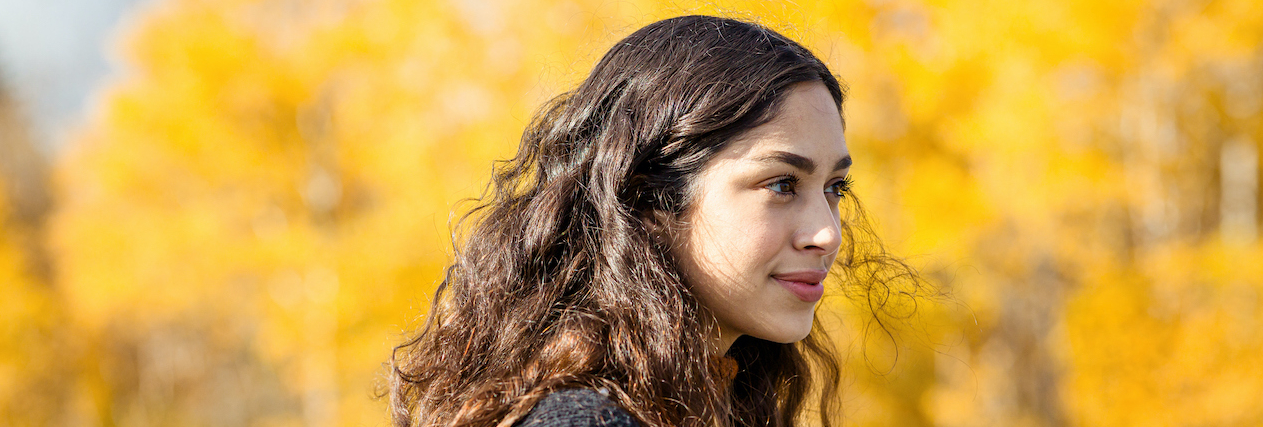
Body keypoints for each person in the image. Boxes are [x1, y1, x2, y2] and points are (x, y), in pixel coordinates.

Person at [390, 15, 920, 427]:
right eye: (782, 184)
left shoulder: (706, 402)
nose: (827, 232)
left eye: (835, 188)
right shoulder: (586, 421)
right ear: (647, 197)